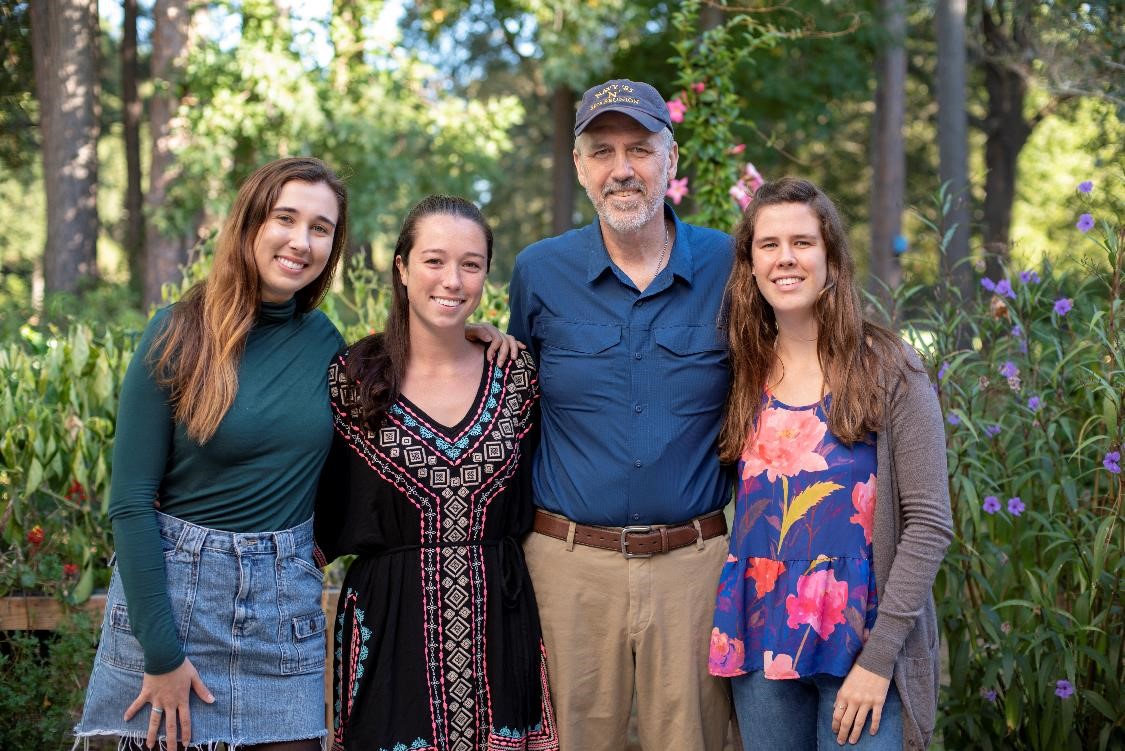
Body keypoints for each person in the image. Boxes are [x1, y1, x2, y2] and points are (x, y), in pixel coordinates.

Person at [75, 157, 350, 750]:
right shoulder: (178, 332)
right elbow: (128, 504)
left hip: (283, 612)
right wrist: (162, 654)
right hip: (175, 609)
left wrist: (476, 339)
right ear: (249, 222)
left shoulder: (326, 342)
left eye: (321, 228)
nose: (301, 242)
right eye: (286, 218)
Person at [507, 79, 734, 751]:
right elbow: (513, 407)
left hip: (694, 565)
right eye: (601, 150)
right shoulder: (539, 271)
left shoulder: (728, 264)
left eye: (639, 148)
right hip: (568, 565)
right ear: (580, 167)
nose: (622, 168)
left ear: (670, 157)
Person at [708, 177, 953, 750]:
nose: (785, 259)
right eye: (768, 245)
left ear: (832, 259)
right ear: (748, 265)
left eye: (803, 242)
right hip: (762, 634)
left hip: (862, 641)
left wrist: (879, 659)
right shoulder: (741, 371)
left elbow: (929, 523)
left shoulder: (890, 368)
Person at [315, 195, 558, 751]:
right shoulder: (352, 378)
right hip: (389, 629)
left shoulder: (516, 374)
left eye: (471, 264)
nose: (452, 279)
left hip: (502, 624)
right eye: (434, 260)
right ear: (401, 268)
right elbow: (312, 500)